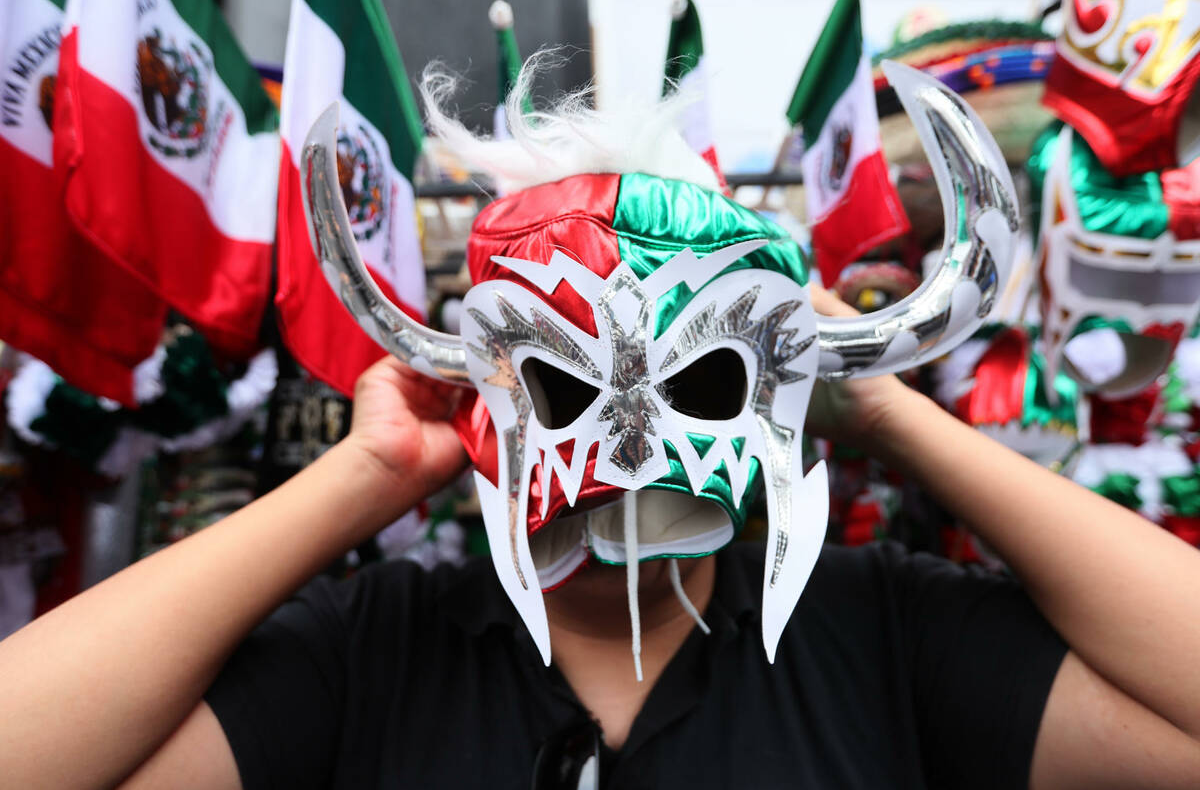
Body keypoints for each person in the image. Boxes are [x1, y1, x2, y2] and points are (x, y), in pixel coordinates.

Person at [4, 65, 1200, 789]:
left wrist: (883, 409)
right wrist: (362, 478)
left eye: (703, 383)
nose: (631, 447)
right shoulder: (370, 650)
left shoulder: (883, 636)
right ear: (483, 394)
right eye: (565, 385)